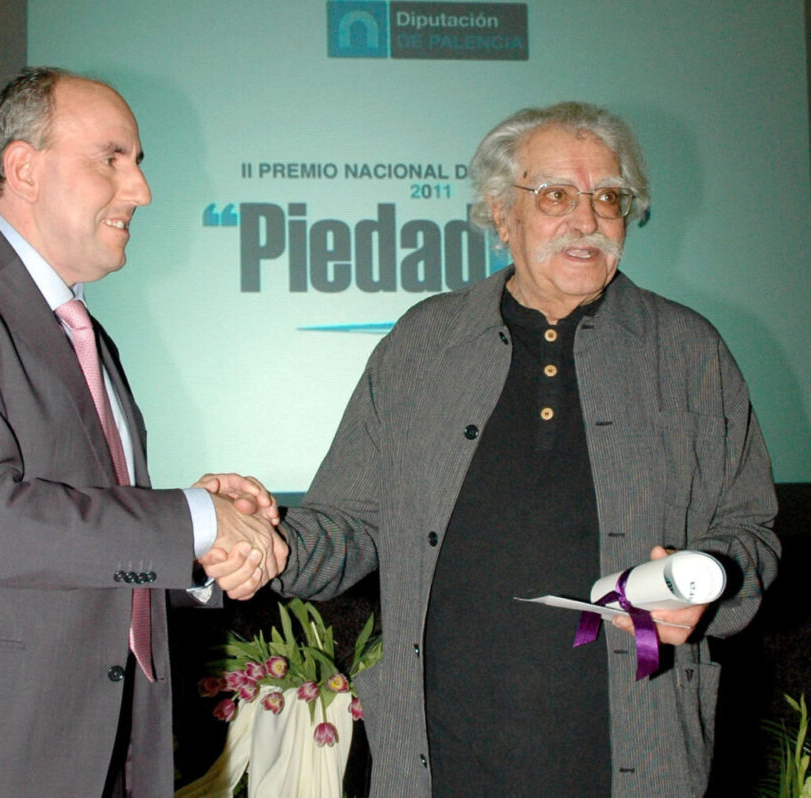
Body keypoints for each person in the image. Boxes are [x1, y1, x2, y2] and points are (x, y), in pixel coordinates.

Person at [248, 102, 780, 796]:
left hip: (631, 756)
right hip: (443, 760)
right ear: (502, 215)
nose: (587, 220)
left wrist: (707, 583)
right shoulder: (422, 344)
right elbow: (349, 523)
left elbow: (750, 531)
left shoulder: (688, 351)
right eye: (557, 195)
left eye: (609, 198)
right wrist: (265, 543)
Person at [0, 66, 284, 798]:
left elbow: (77, 539)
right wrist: (187, 520)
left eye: (138, 163)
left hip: (99, 754)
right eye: (112, 159)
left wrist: (205, 543)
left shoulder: (89, 337)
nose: (141, 190)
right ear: (24, 168)